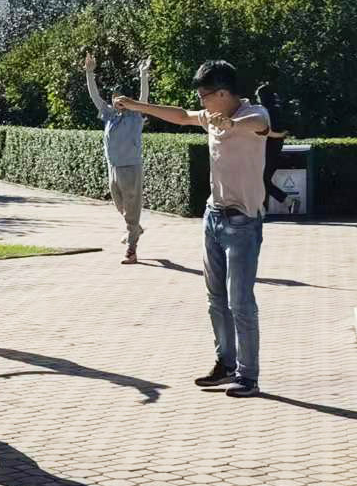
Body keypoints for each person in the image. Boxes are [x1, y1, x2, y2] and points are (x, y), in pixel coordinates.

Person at [116, 60, 270, 398]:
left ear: (223, 93)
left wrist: (231, 122)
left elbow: (259, 124)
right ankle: (225, 365)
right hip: (213, 218)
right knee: (216, 300)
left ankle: (248, 376)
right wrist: (136, 105)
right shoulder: (210, 116)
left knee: (240, 302)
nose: (201, 102)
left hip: (243, 223)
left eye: (204, 95)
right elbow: (182, 115)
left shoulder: (253, 114)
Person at [84, 52, 151, 263]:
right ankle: (135, 229)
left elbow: (144, 98)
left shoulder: (135, 115)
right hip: (113, 167)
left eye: (122, 98)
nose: (118, 101)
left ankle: (131, 249)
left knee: (132, 209)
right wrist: (89, 73)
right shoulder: (109, 115)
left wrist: (143, 75)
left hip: (131, 168)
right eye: (115, 98)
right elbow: (95, 97)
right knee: (121, 207)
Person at [255, 82, 292, 213]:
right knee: (262, 180)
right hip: (274, 148)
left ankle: (286, 201)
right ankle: (263, 208)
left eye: (258, 96)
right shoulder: (277, 109)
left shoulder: (265, 111)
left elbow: (267, 131)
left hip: (267, 149)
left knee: (261, 180)